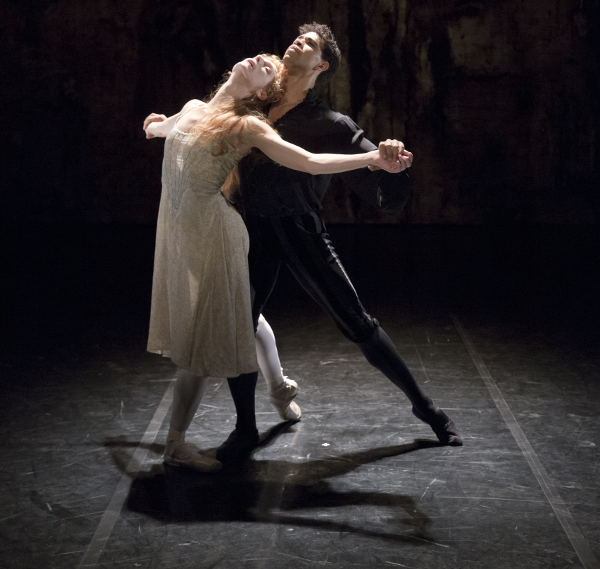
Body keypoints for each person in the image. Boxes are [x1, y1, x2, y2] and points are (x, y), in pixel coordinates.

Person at [146, 23, 462, 449]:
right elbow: (206, 117)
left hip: (299, 230)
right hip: (250, 228)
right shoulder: (256, 102)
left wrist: (385, 157)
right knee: (241, 325)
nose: (298, 41)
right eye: (298, 37)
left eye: (310, 43)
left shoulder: (328, 122)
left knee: (358, 323)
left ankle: (425, 408)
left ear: (321, 65)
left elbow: (362, 176)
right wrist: (168, 124)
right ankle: (245, 427)